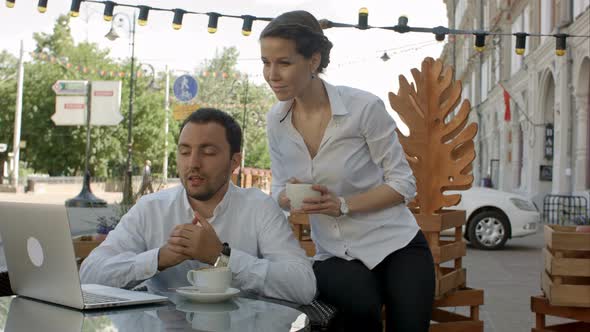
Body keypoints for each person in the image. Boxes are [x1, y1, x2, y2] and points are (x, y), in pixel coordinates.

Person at [260, 10, 435, 331]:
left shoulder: (363, 108)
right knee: (359, 311)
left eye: (283, 63)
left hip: (397, 244)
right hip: (335, 255)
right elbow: (278, 192)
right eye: (265, 62)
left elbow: (403, 185)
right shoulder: (276, 120)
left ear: (313, 61)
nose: (272, 74)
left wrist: (342, 205)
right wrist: (293, 197)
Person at [80, 108, 316, 305]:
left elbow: (302, 285)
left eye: (208, 152)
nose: (193, 163)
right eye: (185, 152)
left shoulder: (258, 208)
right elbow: (89, 274)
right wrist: (158, 259)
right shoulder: (151, 208)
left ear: (235, 161)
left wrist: (221, 257)